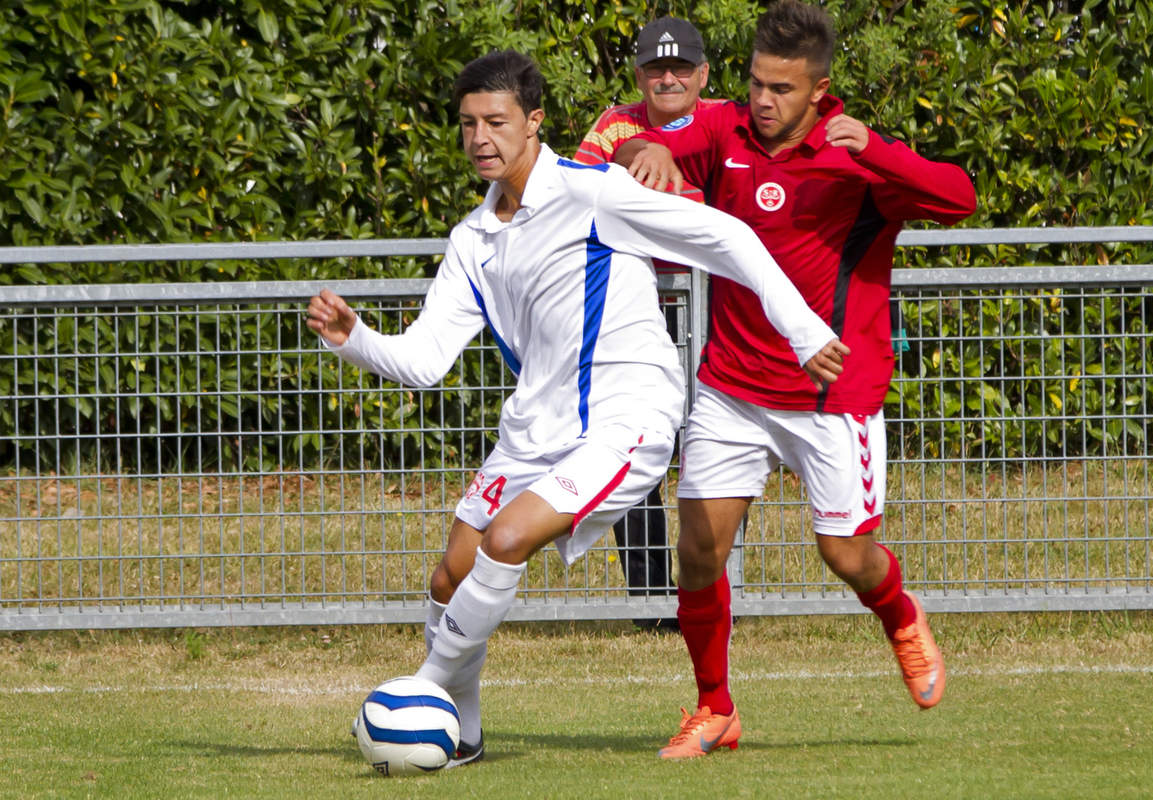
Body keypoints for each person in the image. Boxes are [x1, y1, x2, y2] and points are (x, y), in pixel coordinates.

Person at [307, 49, 848, 767]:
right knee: (451, 576)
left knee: (506, 540)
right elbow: (425, 362)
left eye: (495, 121)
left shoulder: (592, 191)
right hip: (539, 429)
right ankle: (460, 732)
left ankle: (420, 693)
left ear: (534, 122)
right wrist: (354, 339)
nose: (479, 138)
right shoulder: (473, 239)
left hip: (629, 419)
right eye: (467, 124)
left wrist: (804, 329)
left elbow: (728, 236)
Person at [614, 0, 978, 758]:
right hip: (733, 385)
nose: (763, 100)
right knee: (697, 550)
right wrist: (641, 153)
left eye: (781, 89)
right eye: (754, 83)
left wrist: (879, 150)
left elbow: (959, 196)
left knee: (846, 555)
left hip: (832, 393)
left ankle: (901, 614)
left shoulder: (857, 158)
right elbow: (654, 136)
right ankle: (714, 707)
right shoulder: (728, 131)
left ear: (819, 89)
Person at [573, 16, 724, 629]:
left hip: (715, 312)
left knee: (712, 455)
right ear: (638, 75)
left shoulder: (725, 121)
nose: (668, 78)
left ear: (702, 76)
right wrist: (638, 149)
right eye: (656, 69)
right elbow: (576, 195)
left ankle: (709, 598)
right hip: (638, 316)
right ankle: (652, 604)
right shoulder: (613, 125)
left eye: (680, 69)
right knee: (639, 451)